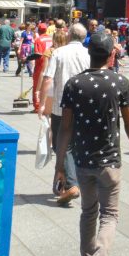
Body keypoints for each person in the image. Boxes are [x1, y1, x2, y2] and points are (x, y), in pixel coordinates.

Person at [55, 31, 129, 256]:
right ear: (111, 54)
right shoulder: (119, 82)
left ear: (89, 53)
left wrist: (59, 165)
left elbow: (65, 128)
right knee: (109, 214)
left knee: (88, 212)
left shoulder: (73, 84)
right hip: (109, 161)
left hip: (83, 161)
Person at [43, 22, 90, 205]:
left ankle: (71, 184)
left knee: (62, 145)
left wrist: (42, 104)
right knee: (74, 145)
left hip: (61, 108)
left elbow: (48, 79)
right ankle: (65, 182)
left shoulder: (58, 53)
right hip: (84, 107)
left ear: (69, 35)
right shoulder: (88, 54)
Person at [32, 21, 53, 112]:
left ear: (39, 31)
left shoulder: (38, 40)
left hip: (41, 65)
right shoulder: (51, 39)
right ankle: (46, 105)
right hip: (51, 64)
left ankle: (37, 106)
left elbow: (38, 54)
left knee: (37, 85)